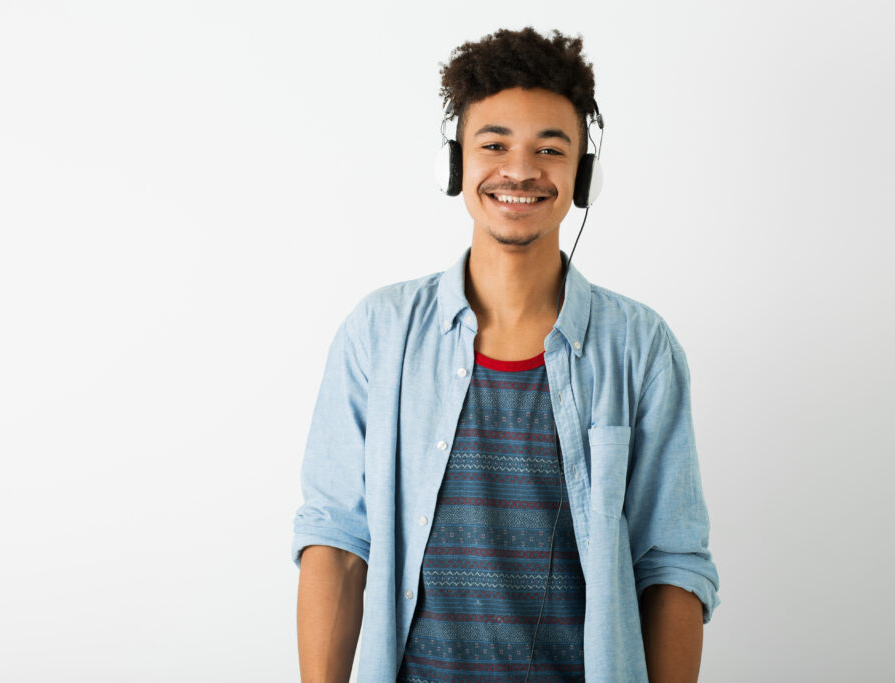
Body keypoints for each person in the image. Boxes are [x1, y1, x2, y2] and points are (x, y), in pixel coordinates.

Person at [293, 26, 720, 683]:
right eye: (494, 144)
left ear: (583, 174)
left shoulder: (640, 346)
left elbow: (671, 565)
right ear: (455, 162)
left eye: (550, 149)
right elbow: (338, 542)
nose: (520, 170)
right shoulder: (377, 333)